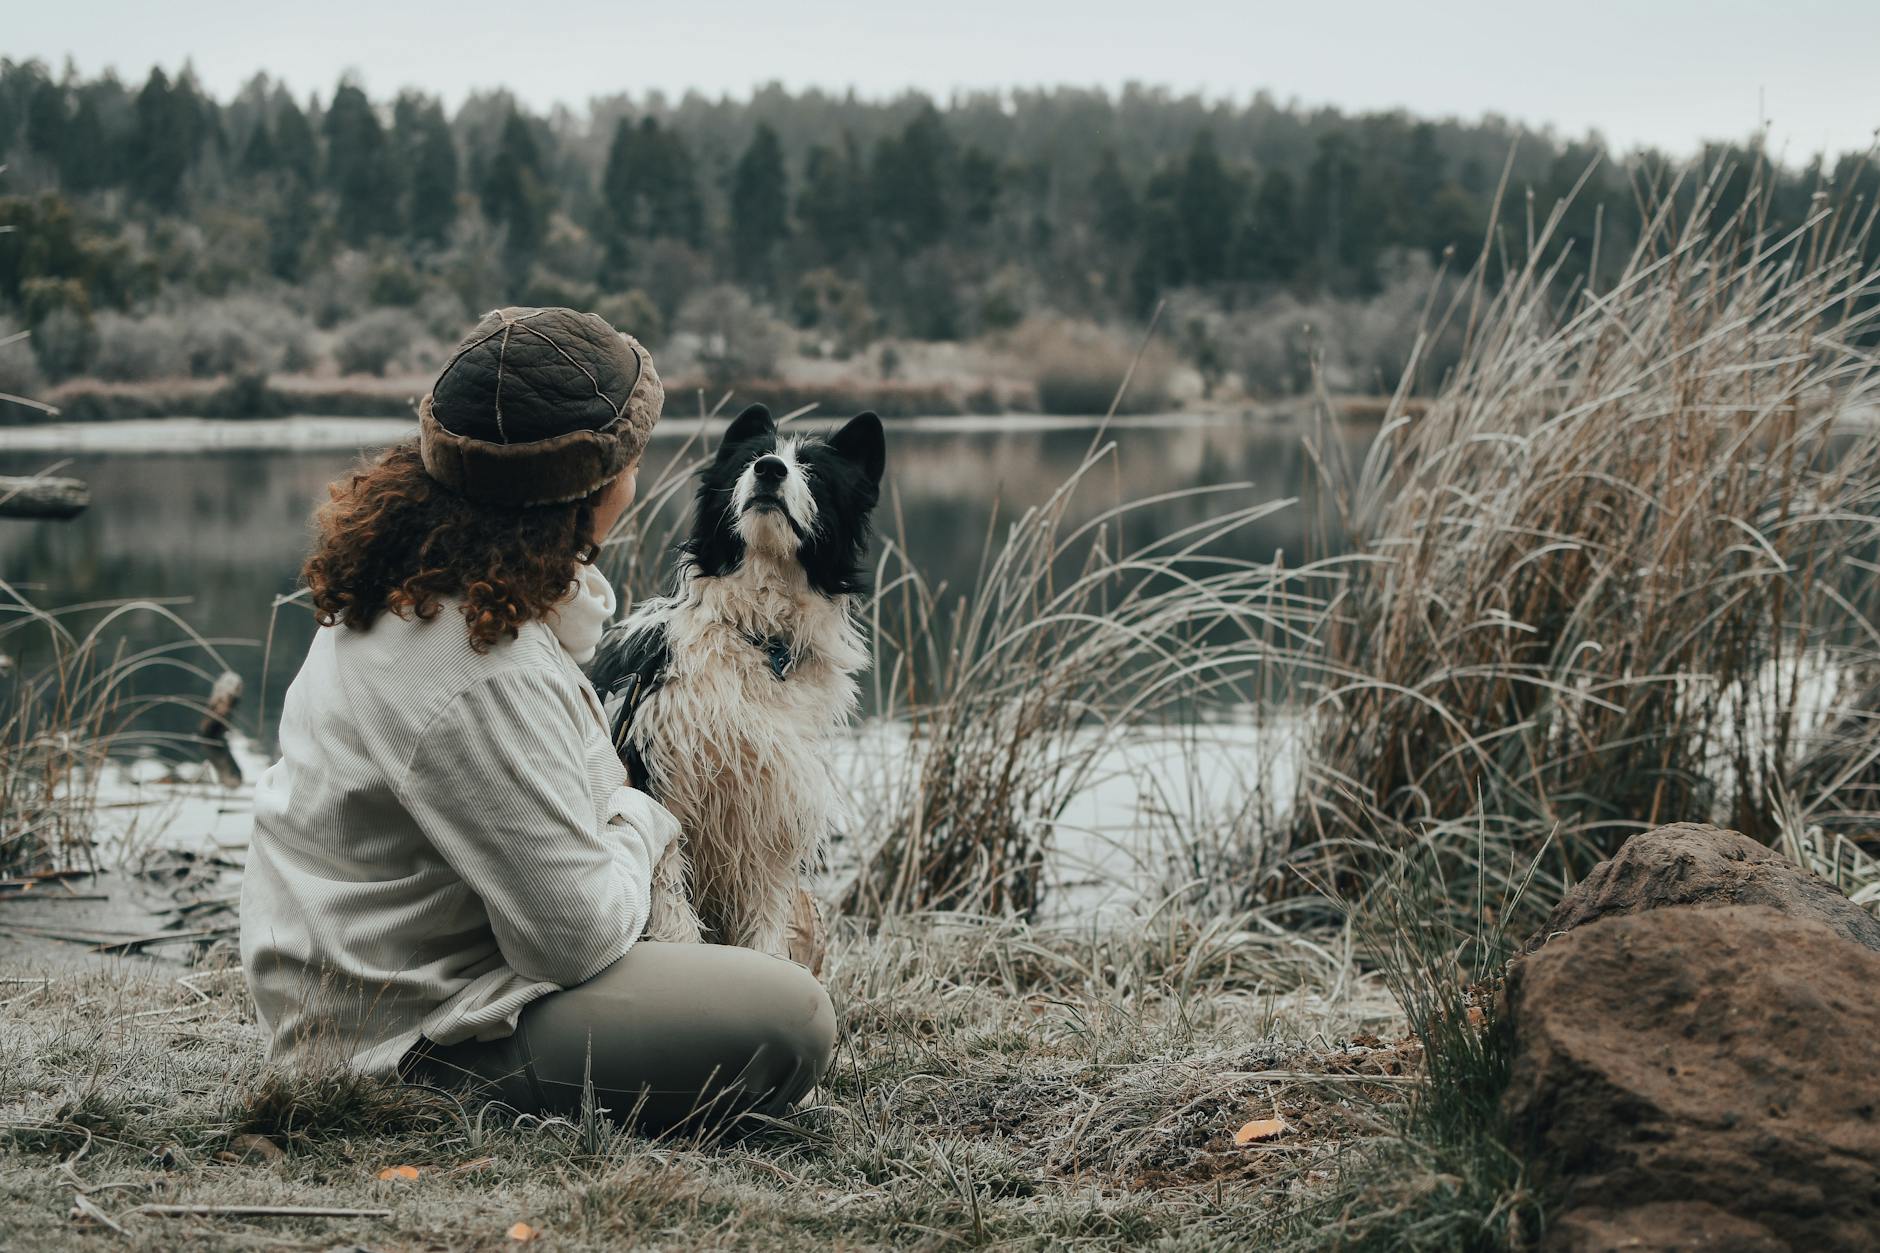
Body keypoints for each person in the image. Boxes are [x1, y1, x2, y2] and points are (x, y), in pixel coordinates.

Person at [239, 307, 835, 1134]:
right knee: (792, 1021)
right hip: (407, 1034)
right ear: (591, 485)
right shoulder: (480, 670)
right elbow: (575, 939)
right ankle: (447, 1094)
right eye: (631, 452)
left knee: (764, 962)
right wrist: (638, 815)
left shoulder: (424, 584)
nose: (640, 470)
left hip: (370, 986)